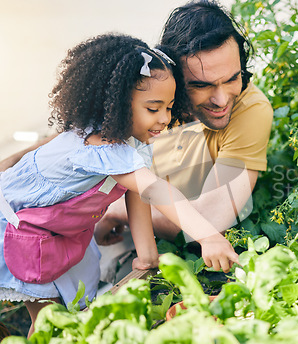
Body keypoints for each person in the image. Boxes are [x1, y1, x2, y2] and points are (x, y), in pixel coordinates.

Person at [0, 33, 238, 337]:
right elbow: (154, 189)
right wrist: (209, 236)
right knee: (50, 321)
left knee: (74, 308)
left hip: (58, 227)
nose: (165, 118)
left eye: (169, 106)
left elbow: (136, 192)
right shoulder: (98, 148)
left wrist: (147, 255)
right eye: (153, 109)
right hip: (21, 229)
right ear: (115, 105)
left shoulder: (130, 142)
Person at [93, 0, 274, 245]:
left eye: (233, 78)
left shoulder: (251, 108)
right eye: (201, 85)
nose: (221, 101)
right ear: (172, 75)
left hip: (123, 226)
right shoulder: (147, 90)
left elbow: (208, 222)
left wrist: (113, 210)